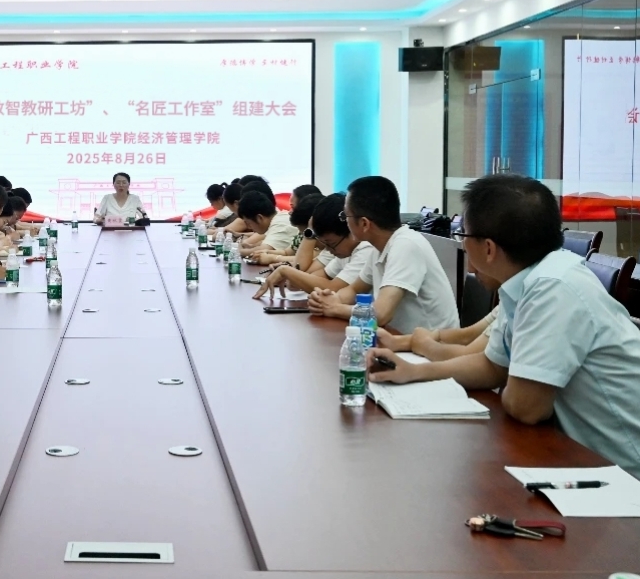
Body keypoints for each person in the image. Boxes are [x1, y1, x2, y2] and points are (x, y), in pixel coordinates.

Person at [368, 174, 640, 477]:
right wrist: (412, 372)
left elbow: (526, 407)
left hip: (625, 474)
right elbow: (491, 366)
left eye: (463, 235)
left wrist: (512, 377)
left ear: (488, 248)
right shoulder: (527, 281)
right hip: (583, 457)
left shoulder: (553, 288)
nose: (462, 244)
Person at [308, 176, 459, 334]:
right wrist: (329, 300)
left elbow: (381, 314)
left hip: (433, 345)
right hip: (400, 340)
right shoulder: (380, 247)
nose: (344, 222)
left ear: (364, 224)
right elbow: (353, 290)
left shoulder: (406, 245)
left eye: (345, 216)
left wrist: (335, 308)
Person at [255, 193, 372, 298]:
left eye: (331, 244)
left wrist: (287, 271)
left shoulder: (366, 249)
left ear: (351, 229)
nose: (328, 250)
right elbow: (314, 276)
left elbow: (333, 287)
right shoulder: (343, 251)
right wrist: (294, 276)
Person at [250, 192, 324, 266]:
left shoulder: (326, 247)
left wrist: (273, 258)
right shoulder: (302, 234)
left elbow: (302, 261)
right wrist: (267, 252)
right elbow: (287, 252)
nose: (289, 212)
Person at [236, 191, 296, 256]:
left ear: (259, 218)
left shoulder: (281, 224)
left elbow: (262, 251)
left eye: (248, 223)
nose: (249, 227)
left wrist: (239, 250)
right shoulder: (278, 217)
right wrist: (251, 246)